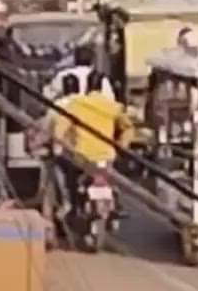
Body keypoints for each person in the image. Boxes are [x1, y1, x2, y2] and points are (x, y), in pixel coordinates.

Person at [43, 71, 135, 220]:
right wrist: (121, 145)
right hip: (107, 156)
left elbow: (59, 132)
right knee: (112, 177)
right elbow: (129, 128)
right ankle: (116, 202)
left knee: (67, 177)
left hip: (83, 157)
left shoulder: (77, 105)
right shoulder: (113, 106)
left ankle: (70, 204)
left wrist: (66, 146)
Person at [44, 43, 115, 102]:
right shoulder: (101, 78)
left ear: (75, 59)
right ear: (92, 61)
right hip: (93, 113)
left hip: (67, 113)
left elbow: (49, 97)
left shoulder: (62, 75)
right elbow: (110, 100)